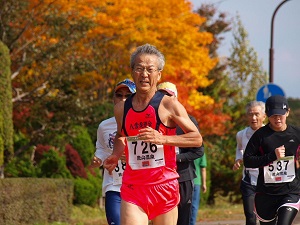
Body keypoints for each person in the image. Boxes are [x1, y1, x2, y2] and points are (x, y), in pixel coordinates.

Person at [103, 43, 203, 225]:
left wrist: (162, 139)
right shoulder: (121, 109)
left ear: (159, 74)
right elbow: (120, 135)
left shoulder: (168, 104)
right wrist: (116, 154)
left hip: (164, 186)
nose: (145, 74)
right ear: (132, 72)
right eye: (139, 69)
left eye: (150, 69)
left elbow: (196, 138)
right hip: (133, 186)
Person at [244, 95, 300, 225]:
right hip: (266, 193)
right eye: (273, 115)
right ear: (267, 115)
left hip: (290, 191)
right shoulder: (260, 135)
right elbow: (248, 161)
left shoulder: (297, 134)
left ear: (288, 112)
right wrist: (272, 156)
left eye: (281, 114)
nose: (277, 118)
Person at [157, 82, 204, 225]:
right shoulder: (152, 121)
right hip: (159, 178)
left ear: (176, 98)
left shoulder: (187, 121)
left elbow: (198, 151)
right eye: (161, 96)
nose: (166, 100)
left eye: (169, 96)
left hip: (182, 176)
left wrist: (175, 158)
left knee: (182, 219)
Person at [90, 79, 136, 225]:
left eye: (128, 95)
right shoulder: (104, 126)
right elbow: (102, 149)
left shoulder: (143, 123)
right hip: (114, 184)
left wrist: (129, 157)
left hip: (137, 184)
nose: (123, 99)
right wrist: (98, 159)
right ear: (113, 98)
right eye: (119, 95)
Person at [232, 101, 266, 225]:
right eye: (250, 114)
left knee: (265, 216)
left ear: (264, 116)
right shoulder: (241, 134)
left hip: (266, 180)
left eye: (257, 114)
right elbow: (239, 148)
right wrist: (238, 159)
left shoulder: (270, 133)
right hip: (248, 179)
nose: (253, 118)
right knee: (250, 216)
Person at [189, 153, 207, 225]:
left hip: (186, 180)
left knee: (185, 205)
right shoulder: (200, 152)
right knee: (194, 205)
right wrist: (204, 183)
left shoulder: (184, 149)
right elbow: (203, 169)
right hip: (196, 181)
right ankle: (192, 223)